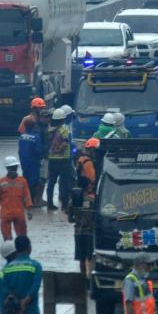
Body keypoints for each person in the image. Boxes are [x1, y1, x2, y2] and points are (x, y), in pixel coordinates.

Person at [0, 235, 42, 314]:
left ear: (16, 250)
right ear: (29, 248)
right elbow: (35, 287)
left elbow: (4, 294)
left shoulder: (4, 270)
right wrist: (24, 302)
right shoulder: (36, 266)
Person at [75, 138, 100, 277]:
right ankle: (89, 277)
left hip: (79, 231)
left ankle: (82, 277)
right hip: (90, 232)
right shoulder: (88, 163)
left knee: (81, 256)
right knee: (90, 255)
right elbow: (93, 178)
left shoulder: (80, 160)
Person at [0, 156, 33, 240]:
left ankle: (18, 250)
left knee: (21, 238)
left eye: (14, 168)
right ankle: (12, 250)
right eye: (12, 168)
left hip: (12, 214)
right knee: (9, 238)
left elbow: (27, 197)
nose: (13, 170)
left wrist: (29, 211)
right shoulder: (3, 182)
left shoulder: (21, 181)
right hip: (11, 214)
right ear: (7, 168)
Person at [46, 108, 73, 211]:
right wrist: (59, 150)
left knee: (51, 182)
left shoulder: (50, 130)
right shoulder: (65, 129)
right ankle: (65, 205)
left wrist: (53, 152)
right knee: (64, 182)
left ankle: (49, 203)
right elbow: (65, 143)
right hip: (63, 159)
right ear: (63, 119)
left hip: (52, 159)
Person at [18, 118, 43, 207]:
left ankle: (24, 200)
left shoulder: (21, 137)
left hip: (24, 162)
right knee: (33, 182)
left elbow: (20, 150)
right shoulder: (36, 137)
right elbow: (38, 151)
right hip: (34, 163)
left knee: (26, 180)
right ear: (33, 126)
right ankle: (31, 201)